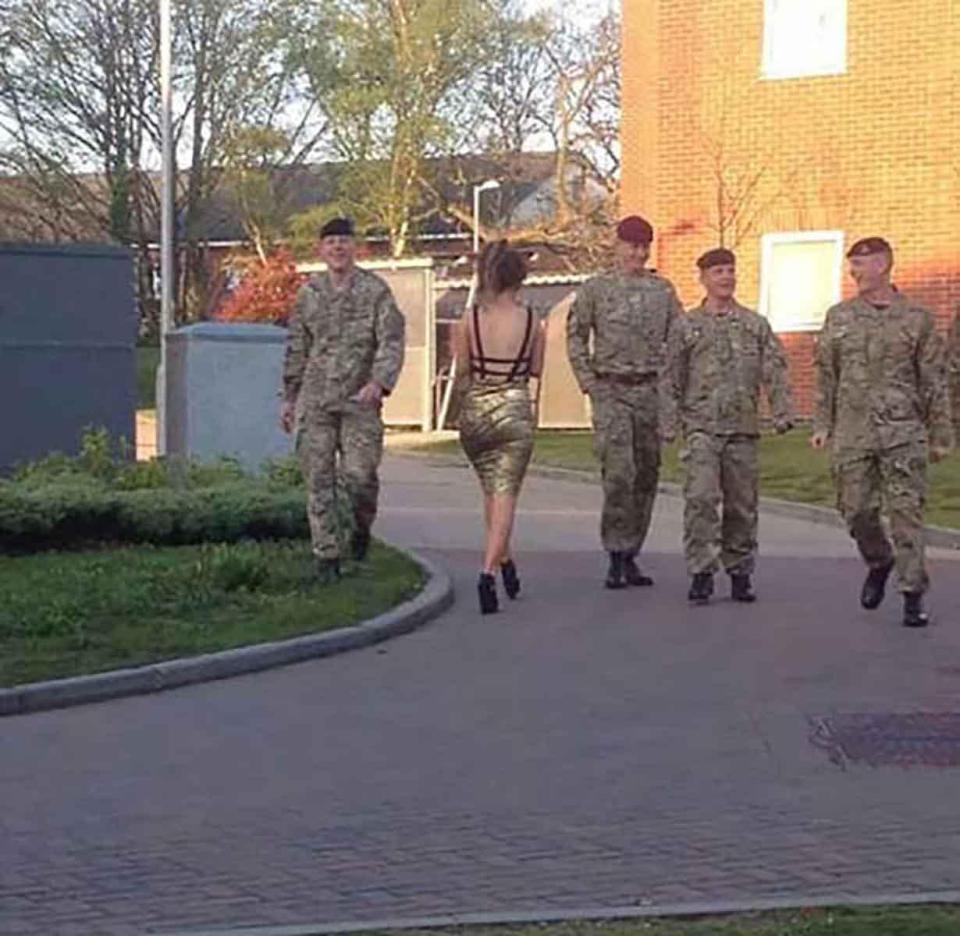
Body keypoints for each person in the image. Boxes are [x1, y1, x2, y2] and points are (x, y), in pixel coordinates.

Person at [812, 237, 953, 627]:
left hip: (903, 432)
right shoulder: (839, 317)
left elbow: (933, 380)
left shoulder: (917, 319)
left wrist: (941, 433)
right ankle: (879, 560)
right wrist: (822, 423)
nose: (854, 271)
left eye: (861, 263)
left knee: (907, 513)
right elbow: (826, 375)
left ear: (884, 265)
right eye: (851, 264)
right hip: (853, 431)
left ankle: (913, 593)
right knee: (856, 510)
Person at [662, 248, 793, 604]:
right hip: (701, 428)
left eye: (730, 270)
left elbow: (775, 369)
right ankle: (701, 571)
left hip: (742, 429)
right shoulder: (687, 326)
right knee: (701, 499)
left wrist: (782, 411)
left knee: (741, 504)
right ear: (703, 277)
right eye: (718, 271)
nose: (726, 277)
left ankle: (739, 571)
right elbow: (670, 377)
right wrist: (669, 421)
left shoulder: (754, 325)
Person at [280, 217, 405, 582]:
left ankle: (360, 530)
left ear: (355, 248)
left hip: (359, 403)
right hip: (315, 401)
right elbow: (297, 347)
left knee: (359, 478)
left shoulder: (375, 292)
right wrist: (289, 398)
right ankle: (327, 557)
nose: (337, 248)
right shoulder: (309, 294)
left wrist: (379, 383)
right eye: (331, 241)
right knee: (318, 479)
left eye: (344, 241)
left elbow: (391, 340)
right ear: (321, 250)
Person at [566, 215, 682, 589]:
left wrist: (673, 390)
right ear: (617, 246)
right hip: (611, 390)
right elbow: (575, 336)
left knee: (646, 474)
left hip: (649, 391)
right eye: (631, 245)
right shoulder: (596, 290)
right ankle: (615, 553)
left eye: (643, 246)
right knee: (619, 475)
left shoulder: (662, 291)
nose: (638, 252)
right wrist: (587, 381)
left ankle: (632, 552)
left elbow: (679, 342)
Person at [451, 240, 545, 614]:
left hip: (475, 411)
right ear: (519, 278)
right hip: (514, 409)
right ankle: (488, 572)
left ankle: (506, 563)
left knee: (490, 493)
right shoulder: (532, 322)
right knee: (506, 494)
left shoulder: (469, 320)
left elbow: (462, 370)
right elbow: (536, 369)